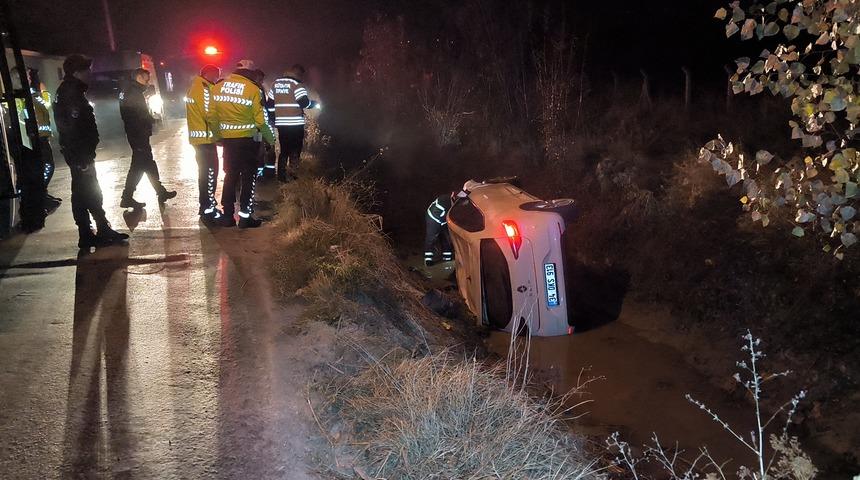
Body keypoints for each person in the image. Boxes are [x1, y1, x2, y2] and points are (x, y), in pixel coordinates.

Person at [54, 54, 128, 249]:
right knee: (89, 192)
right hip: (80, 155)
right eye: (86, 70)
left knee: (81, 192)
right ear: (76, 72)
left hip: (79, 153)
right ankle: (99, 229)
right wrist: (82, 158)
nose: (89, 73)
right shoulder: (71, 93)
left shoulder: (70, 91)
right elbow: (72, 128)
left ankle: (88, 233)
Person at [212, 59, 275, 228]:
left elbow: (211, 115)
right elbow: (261, 121)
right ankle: (245, 217)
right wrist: (270, 139)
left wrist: (218, 137)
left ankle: (227, 216)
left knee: (230, 176)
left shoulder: (219, 87)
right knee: (248, 178)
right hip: (248, 141)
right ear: (250, 73)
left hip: (228, 142)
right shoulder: (253, 89)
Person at [118, 68, 176, 209]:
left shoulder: (129, 91)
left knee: (148, 164)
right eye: (146, 79)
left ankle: (160, 192)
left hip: (137, 134)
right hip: (138, 135)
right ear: (138, 77)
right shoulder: (133, 93)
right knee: (138, 166)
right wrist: (152, 121)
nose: (148, 82)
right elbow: (138, 115)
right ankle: (127, 197)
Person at [185, 64, 222, 222]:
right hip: (205, 139)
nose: (217, 78)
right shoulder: (204, 88)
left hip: (200, 139)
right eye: (216, 75)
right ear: (209, 73)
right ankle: (208, 209)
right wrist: (219, 134)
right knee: (209, 174)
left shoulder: (195, 86)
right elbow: (209, 114)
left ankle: (207, 206)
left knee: (206, 174)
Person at [271, 64, 318, 182]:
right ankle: (293, 175)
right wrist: (314, 104)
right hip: (295, 124)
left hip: (281, 124)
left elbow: (269, 104)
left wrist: (273, 118)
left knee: (284, 150)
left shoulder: (275, 84)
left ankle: (281, 177)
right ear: (299, 73)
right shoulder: (297, 84)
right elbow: (304, 103)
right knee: (295, 150)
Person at [424, 192, 456, 266]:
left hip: (444, 219)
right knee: (431, 238)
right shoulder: (445, 200)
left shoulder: (455, 201)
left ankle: (447, 258)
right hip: (433, 218)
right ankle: (428, 259)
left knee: (446, 237)